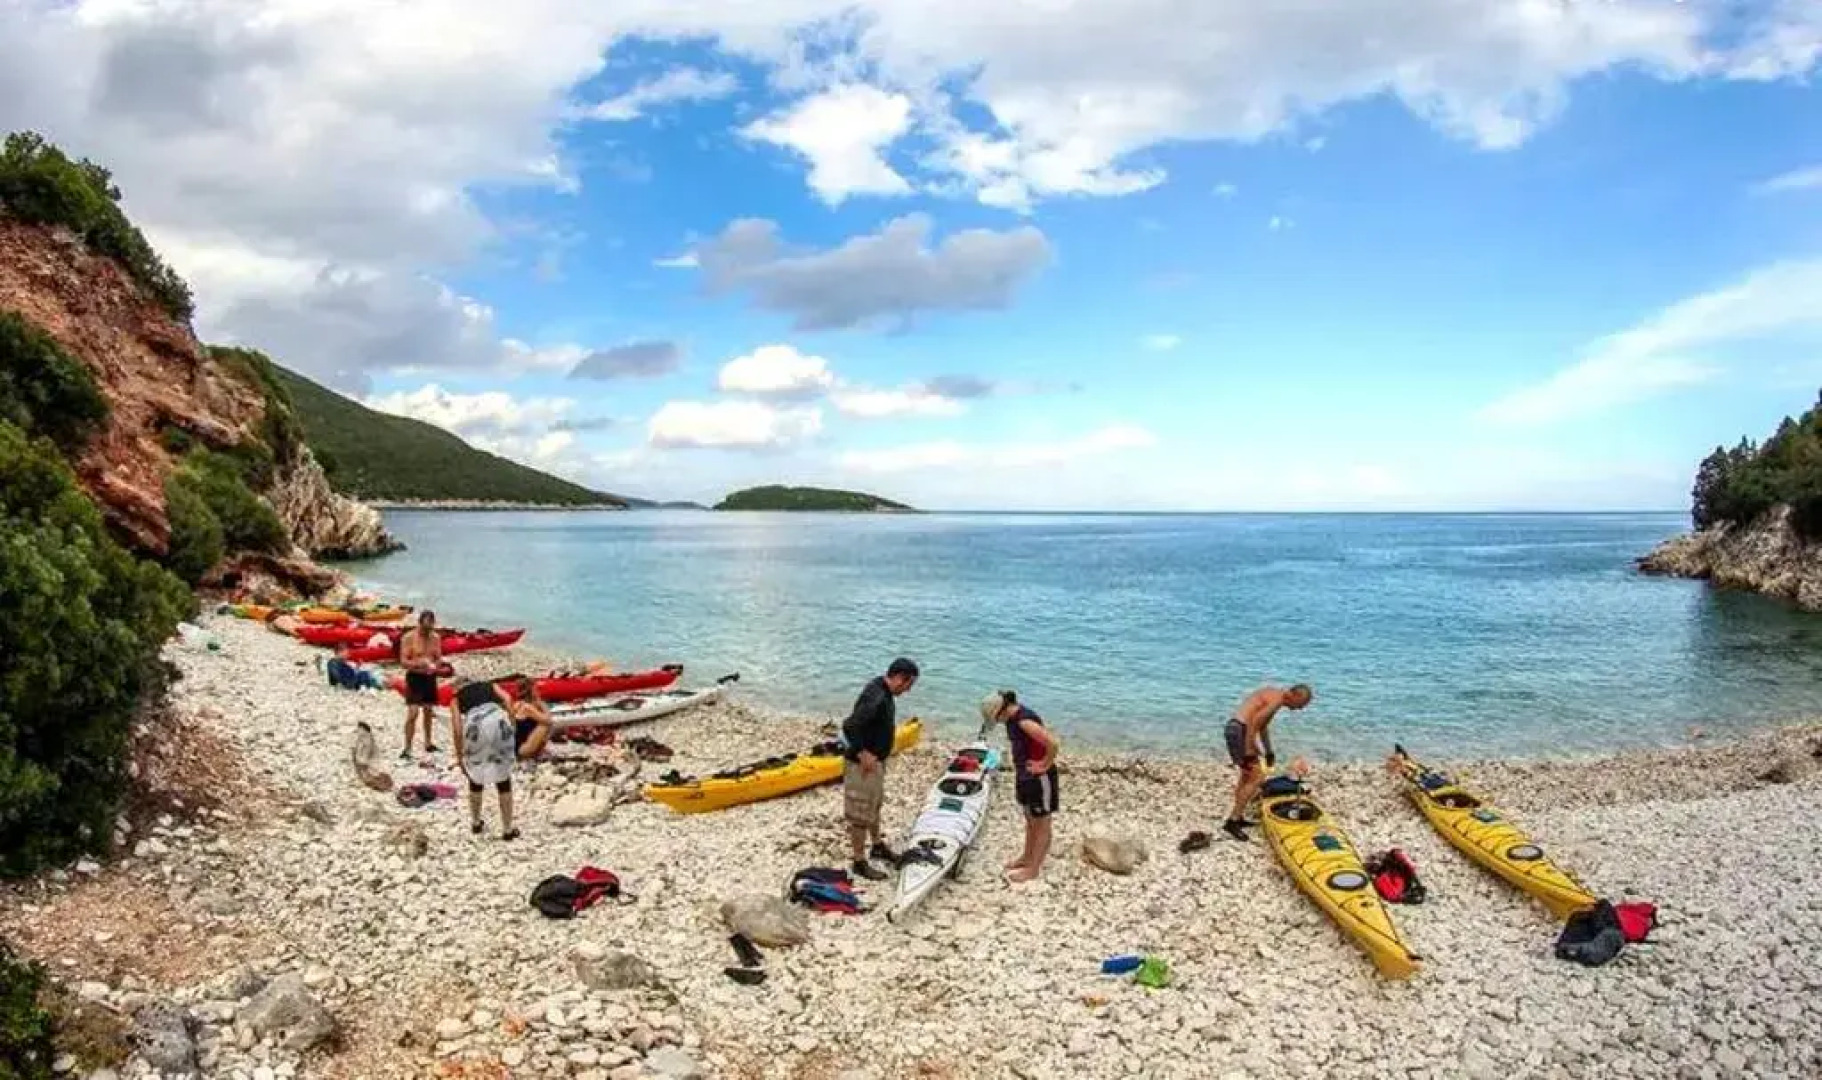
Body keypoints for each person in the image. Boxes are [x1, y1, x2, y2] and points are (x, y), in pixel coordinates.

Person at [841, 657, 919, 881]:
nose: (907, 691)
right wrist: (861, 753)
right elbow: (849, 726)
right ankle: (858, 861)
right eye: (908, 685)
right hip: (861, 767)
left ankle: (876, 846)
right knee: (860, 812)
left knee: (874, 806)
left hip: (876, 763)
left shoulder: (883, 691)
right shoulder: (875, 696)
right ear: (899, 678)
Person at [980, 690, 1061, 883]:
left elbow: (1053, 743)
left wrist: (1045, 764)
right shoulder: (1012, 720)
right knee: (1030, 818)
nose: (998, 722)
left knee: (1042, 822)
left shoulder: (1024, 721)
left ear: (1001, 710)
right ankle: (1027, 857)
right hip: (1025, 775)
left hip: (1040, 777)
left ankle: (1033, 869)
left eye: (996, 718)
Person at [1222, 683, 1313, 841]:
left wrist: (1269, 751)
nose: (1300, 709)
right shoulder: (1277, 699)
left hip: (1237, 729)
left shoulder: (1275, 697)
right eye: (1301, 705)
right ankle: (1232, 821)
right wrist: (1250, 748)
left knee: (1247, 776)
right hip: (1240, 730)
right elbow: (1253, 722)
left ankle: (1238, 816)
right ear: (1295, 696)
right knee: (1257, 777)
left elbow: (1262, 727)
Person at [449, 677, 519, 840]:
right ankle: (507, 830)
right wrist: (512, 723)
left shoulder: (456, 698)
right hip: (497, 720)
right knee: (503, 779)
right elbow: (508, 699)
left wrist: (460, 756)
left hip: (475, 725)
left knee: (475, 775)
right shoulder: (489, 685)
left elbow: (457, 728)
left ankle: (475, 823)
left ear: (457, 688)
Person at [398, 610, 443, 759]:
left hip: (429, 678)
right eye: (425, 629)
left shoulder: (435, 638)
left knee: (428, 711)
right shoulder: (409, 638)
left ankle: (428, 743)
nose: (427, 632)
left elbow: (438, 658)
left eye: (430, 628)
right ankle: (407, 747)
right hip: (414, 678)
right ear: (419, 624)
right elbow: (403, 661)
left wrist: (435, 666)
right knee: (413, 713)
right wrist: (419, 663)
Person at [508, 676, 553, 760]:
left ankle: (536, 753)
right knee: (545, 725)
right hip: (524, 749)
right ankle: (537, 753)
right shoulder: (527, 708)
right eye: (536, 689)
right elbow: (548, 720)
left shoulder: (517, 704)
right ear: (531, 690)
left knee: (542, 723)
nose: (538, 691)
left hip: (518, 747)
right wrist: (542, 703)